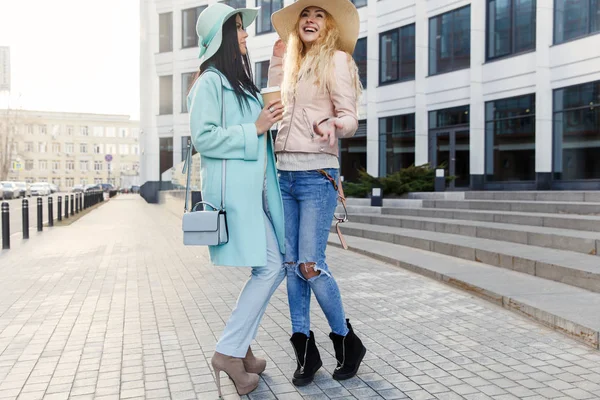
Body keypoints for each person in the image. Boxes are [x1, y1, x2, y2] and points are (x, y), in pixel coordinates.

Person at [187, 3, 286, 397]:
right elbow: (204, 138)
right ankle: (228, 352)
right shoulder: (209, 82)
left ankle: (238, 346)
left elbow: (252, 128)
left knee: (271, 266)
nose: (246, 35)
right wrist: (256, 127)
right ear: (224, 37)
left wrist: (267, 117)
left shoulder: (236, 81)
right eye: (240, 29)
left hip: (254, 191)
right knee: (273, 265)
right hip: (234, 195)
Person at [267, 0, 367, 386]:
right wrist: (278, 63)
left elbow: (350, 117)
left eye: (318, 14)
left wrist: (332, 125)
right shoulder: (291, 63)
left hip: (316, 174)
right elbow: (275, 106)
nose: (310, 20)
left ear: (329, 25)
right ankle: (305, 353)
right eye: (305, 15)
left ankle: (346, 340)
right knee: (293, 267)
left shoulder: (337, 60)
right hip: (283, 175)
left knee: (311, 264)